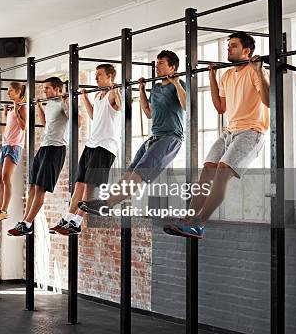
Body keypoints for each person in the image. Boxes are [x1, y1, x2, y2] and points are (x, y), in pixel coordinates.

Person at [164, 31, 269, 239]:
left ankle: (198, 224)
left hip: (251, 131)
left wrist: (258, 71)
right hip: (230, 131)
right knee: (208, 169)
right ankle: (189, 220)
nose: (228, 49)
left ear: (246, 51)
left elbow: (268, 100)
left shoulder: (255, 71)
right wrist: (212, 77)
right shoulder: (227, 74)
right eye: (228, 45)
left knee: (221, 172)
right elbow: (221, 107)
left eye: (233, 46)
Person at [78, 50, 186, 215]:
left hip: (171, 137)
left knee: (140, 172)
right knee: (129, 172)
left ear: (172, 67)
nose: (157, 66)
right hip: (155, 137)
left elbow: (187, 106)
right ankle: (107, 204)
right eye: (156, 63)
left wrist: (177, 83)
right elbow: (148, 112)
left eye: (161, 63)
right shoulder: (156, 88)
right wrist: (142, 90)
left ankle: (107, 203)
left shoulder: (179, 85)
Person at [50, 64, 121, 236]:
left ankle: (77, 222)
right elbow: (93, 116)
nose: (96, 78)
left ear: (110, 76)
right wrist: (84, 97)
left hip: (105, 146)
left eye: (99, 75)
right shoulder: (98, 95)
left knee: (89, 187)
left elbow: (121, 106)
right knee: (79, 184)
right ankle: (67, 218)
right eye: (95, 75)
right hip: (91, 145)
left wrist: (117, 90)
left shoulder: (113, 93)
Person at [8, 77, 69, 236]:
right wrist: (41, 107)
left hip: (56, 148)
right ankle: (24, 222)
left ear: (57, 89)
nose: (44, 90)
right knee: (33, 186)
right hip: (44, 147)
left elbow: (78, 121)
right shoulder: (49, 104)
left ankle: (28, 223)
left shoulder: (63, 103)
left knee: (40, 188)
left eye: (47, 88)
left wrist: (68, 102)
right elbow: (45, 123)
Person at [0, 82, 26, 222]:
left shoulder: (22, 106)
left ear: (17, 92)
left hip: (15, 146)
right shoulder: (11, 107)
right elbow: (10, 126)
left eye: (10, 91)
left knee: (5, 178)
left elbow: (23, 126)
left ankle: (4, 210)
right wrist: (6, 112)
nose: (8, 93)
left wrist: (15, 110)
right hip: (5, 145)